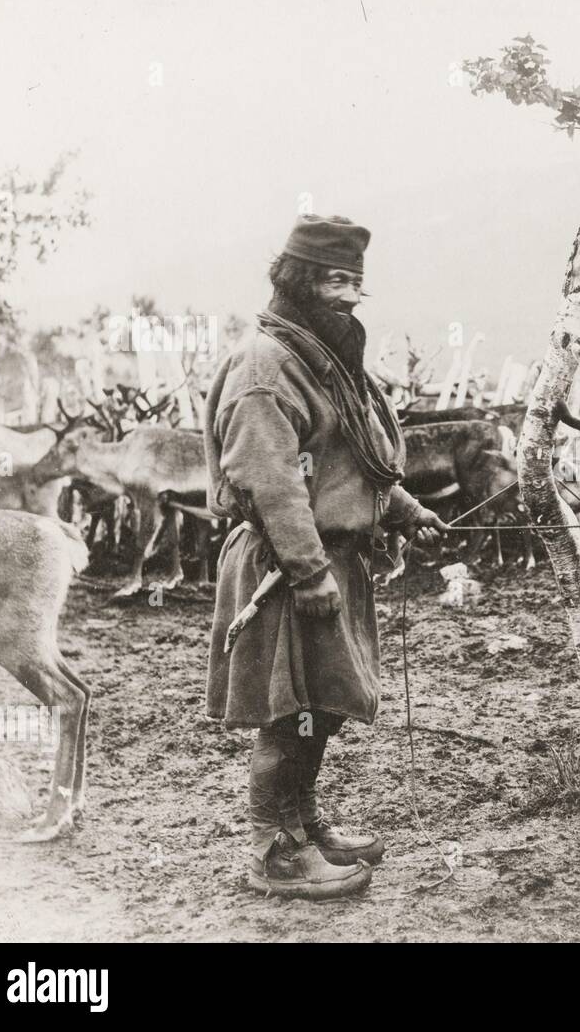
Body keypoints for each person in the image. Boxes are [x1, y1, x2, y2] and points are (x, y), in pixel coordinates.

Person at [204, 214, 447, 899]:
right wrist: (310, 573)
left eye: (356, 284)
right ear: (301, 280)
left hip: (328, 559)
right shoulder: (264, 366)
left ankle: (303, 823)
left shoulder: (321, 359)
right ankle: (274, 848)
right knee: (291, 708)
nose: (348, 296)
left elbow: (353, 458)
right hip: (286, 566)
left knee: (324, 701)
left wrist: (407, 510)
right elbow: (271, 482)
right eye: (337, 280)